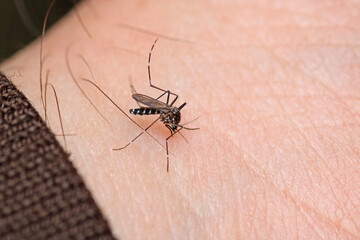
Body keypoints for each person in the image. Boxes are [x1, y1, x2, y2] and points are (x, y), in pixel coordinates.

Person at [1, 0, 359, 239]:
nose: (175, 126)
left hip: (139, 112)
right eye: (176, 125)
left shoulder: (171, 118)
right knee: (160, 107)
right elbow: (162, 116)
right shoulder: (165, 115)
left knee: (167, 108)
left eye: (175, 125)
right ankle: (138, 117)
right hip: (143, 107)